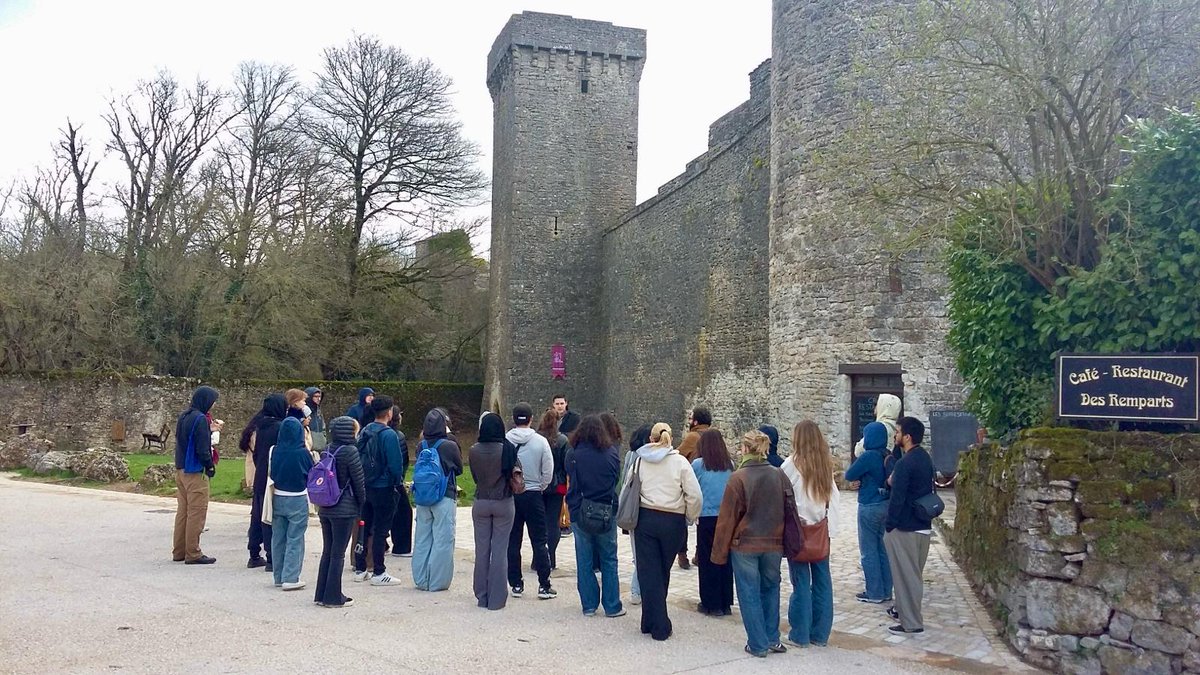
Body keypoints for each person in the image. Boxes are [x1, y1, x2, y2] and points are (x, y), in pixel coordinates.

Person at [711, 430, 790, 658]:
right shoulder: (779, 474)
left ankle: (757, 643)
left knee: (749, 592)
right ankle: (772, 638)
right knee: (771, 588)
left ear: (745, 449)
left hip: (745, 543)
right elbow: (789, 509)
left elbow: (727, 519)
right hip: (773, 541)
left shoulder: (738, 478)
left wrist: (718, 553)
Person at [628, 422, 702, 641]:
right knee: (662, 570)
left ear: (651, 439)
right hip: (673, 520)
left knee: (649, 571)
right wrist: (689, 515)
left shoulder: (640, 460)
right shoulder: (680, 462)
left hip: (647, 517)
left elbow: (629, 488)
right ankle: (655, 620)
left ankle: (652, 621)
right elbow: (695, 495)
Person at [781, 420, 841, 648]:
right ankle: (820, 633)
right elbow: (833, 498)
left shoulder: (790, 465)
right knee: (823, 582)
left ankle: (800, 633)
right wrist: (831, 530)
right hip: (820, 529)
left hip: (799, 530)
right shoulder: (825, 464)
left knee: (801, 583)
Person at [566, 414, 624, 617]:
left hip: (580, 508)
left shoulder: (573, 454)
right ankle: (612, 604)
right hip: (606, 509)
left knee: (584, 559)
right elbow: (615, 480)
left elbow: (571, 478)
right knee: (609, 558)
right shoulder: (612, 454)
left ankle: (589, 604)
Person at [884, 416, 934, 635]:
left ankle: (911, 622)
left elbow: (898, 497)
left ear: (907, 436)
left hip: (905, 527)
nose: (895, 435)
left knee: (905, 577)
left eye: (897, 432)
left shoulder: (905, 463)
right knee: (914, 574)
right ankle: (905, 613)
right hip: (923, 525)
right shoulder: (925, 458)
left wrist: (890, 525)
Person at [505, 402, 557, 600]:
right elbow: (548, 470)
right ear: (531, 419)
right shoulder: (540, 441)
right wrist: (540, 486)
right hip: (534, 493)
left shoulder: (506, 440)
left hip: (512, 495)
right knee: (539, 540)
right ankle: (544, 584)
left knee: (513, 541)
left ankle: (516, 583)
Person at [352, 396, 405, 587]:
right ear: (389, 412)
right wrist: (396, 483)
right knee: (381, 529)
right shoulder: (389, 435)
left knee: (364, 526)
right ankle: (379, 571)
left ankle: (360, 568)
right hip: (383, 486)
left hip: (365, 484)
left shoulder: (365, 430)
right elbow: (395, 465)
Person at [314, 416, 367, 608]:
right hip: (344, 508)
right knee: (338, 553)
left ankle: (321, 593)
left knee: (328, 551)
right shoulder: (350, 451)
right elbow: (358, 482)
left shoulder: (327, 449)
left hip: (326, 505)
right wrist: (362, 503)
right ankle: (333, 597)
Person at [411, 407, 463, 591]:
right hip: (444, 495)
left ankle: (421, 579)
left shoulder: (421, 445)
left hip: (423, 496)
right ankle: (437, 582)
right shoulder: (449, 445)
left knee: (422, 538)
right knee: (443, 539)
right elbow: (458, 468)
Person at [469, 411, 517, 609]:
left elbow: (474, 476)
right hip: (503, 500)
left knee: (482, 550)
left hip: (481, 500)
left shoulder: (473, 450)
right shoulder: (507, 449)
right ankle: (497, 598)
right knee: (499, 550)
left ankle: (481, 594)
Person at [845, 421, 893, 604]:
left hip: (870, 505)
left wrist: (859, 479)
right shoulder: (887, 454)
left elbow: (849, 474)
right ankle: (886, 590)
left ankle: (874, 592)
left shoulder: (869, 456)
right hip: (886, 504)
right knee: (883, 549)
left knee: (868, 551)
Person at [172, 385, 220, 565]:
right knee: (197, 512)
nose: (213, 405)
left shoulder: (184, 416)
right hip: (194, 470)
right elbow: (202, 447)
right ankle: (193, 552)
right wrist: (209, 466)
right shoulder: (200, 419)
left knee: (183, 512)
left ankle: (179, 550)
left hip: (181, 468)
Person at [691, 429, 734, 616]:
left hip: (706, 517)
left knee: (707, 560)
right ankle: (725, 602)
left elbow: (693, 489)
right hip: (726, 518)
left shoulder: (699, 465)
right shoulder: (730, 465)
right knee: (724, 559)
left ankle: (710, 602)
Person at [269, 417, 314, 590]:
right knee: (295, 538)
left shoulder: (274, 450)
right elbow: (310, 473)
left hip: (278, 496)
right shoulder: (303, 452)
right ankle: (291, 577)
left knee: (278, 537)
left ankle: (279, 576)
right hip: (297, 497)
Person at [248, 393, 286, 570]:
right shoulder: (280, 427)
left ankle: (254, 552)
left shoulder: (261, 427)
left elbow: (256, 454)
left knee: (257, 515)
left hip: (261, 474)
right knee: (272, 517)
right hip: (273, 476)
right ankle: (272, 556)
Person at [674, 405, 712, 569]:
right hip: (710, 484)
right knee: (703, 521)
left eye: (691, 418)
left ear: (696, 421)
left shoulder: (693, 437)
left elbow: (679, 455)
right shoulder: (714, 436)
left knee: (683, 517)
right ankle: (699, 554)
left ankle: (682, 555)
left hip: (693, 480)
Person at [623, 424, 652, 606]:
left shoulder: (630, 455)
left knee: (637, 551)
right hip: (646, 506)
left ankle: (636, 591)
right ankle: (637, 590)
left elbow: (625, 479)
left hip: (633, 508)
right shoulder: (647, 457)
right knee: (643, 555)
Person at [536, 408, 569, 569]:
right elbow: (566, 464)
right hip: (558, 485)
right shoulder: (562, 440)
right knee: (553, 522)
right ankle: (551, 557)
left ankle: (538, 557)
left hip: (538, 484)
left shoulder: (536, 439)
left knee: (539, 522)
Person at [386, 404, 413, 558]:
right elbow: (402, 461)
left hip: (376, 480)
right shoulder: (398, 435)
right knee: (402, 513)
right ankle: (401, 547)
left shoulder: (369, 431)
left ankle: (381, 544)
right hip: (394, 480)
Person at [853, 393, 902, 462]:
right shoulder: (899, 428)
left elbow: (858, 451)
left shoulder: (878, 428)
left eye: (876, 405)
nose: (874, 410)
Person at [305, 387, 326, 451]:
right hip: (309, 447)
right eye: (316, 396)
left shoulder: (319, 411)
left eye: (319, 396)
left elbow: (323, 427)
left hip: (321, 446)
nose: (319, 399)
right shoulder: (304, 411)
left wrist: (324, 439)